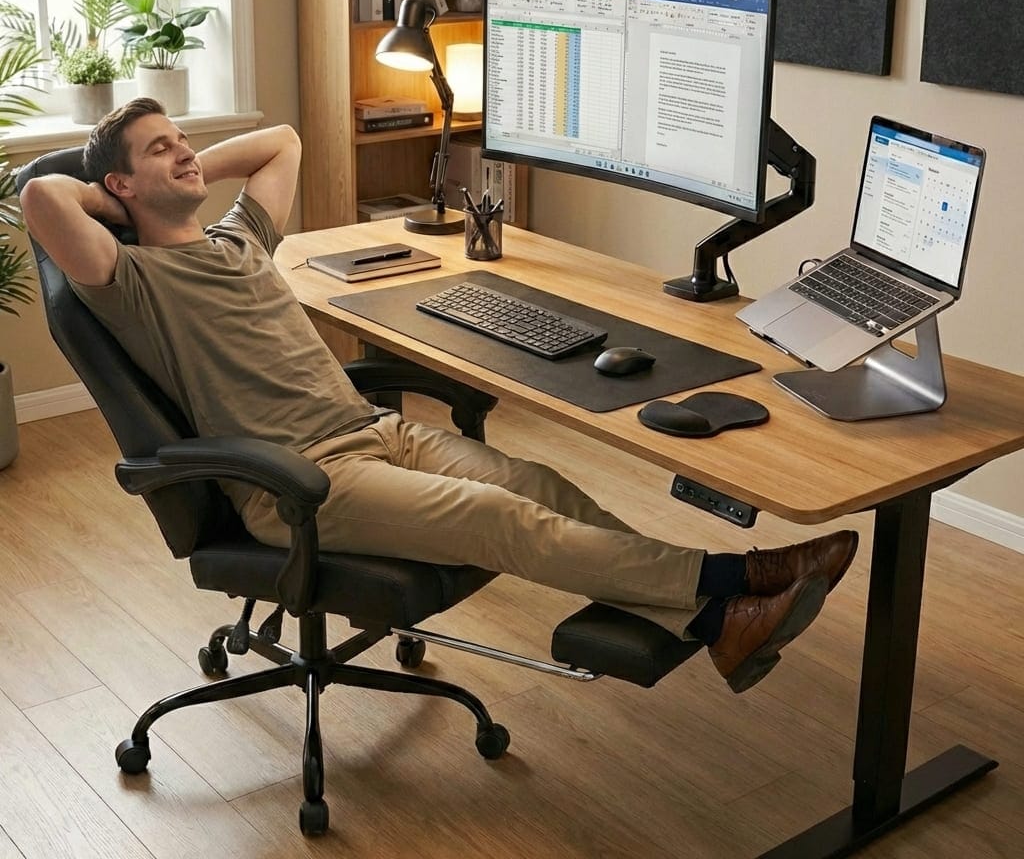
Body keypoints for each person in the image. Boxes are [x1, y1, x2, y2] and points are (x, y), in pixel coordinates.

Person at [20, 98, 859, 694]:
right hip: (300, 482)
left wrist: (170, 167)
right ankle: (735, 577)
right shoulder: (127, 279)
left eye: (181, 138)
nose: (183, 153)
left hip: (375, 431)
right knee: (501, 520)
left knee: (537, 484)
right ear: (121, 192)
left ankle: (715, 624)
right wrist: (108, 193)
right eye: (159, 151)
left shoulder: (241, 240)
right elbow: (37, 191)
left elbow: (281, 141)